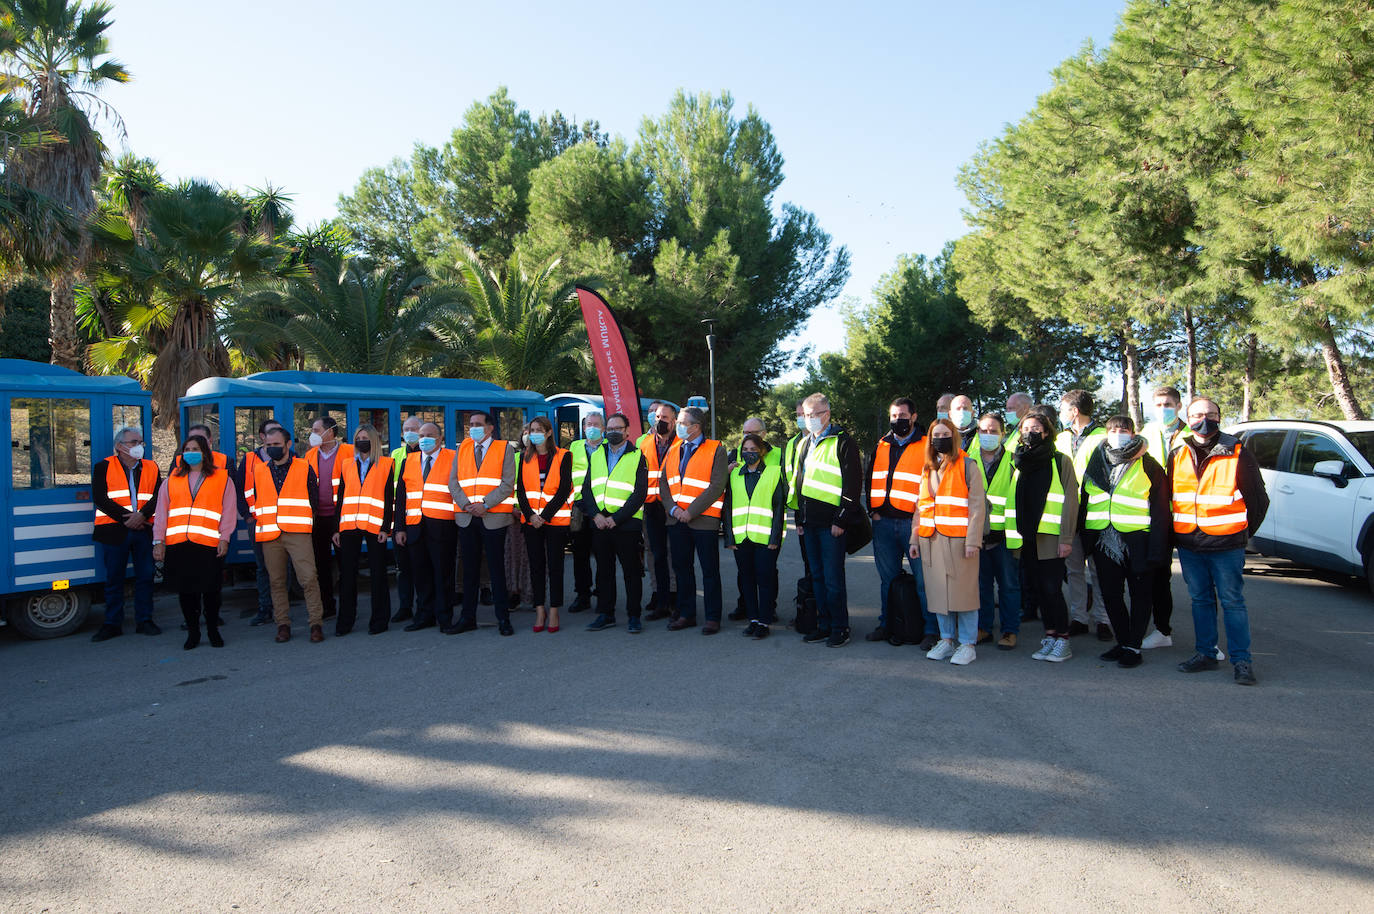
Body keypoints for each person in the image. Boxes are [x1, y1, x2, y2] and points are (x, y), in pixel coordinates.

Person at [1170, 397, 1269, 685]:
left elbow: (1259, 501)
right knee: (1200, 601)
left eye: (1211, 414)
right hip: (1190, 544)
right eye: (1198, 414)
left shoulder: (1238, 451)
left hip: (1227, 545)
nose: (1204, 419)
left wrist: (1242, 535)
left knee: (1232, 603)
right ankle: (1206, 654)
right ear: (1188, 418)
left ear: (1219, 417)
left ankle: (1242, 661)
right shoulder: (1178, 452)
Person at [1079, 415, 1171, 667]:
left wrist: (1159, 547)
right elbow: (1085, 501)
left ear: (1133, 433)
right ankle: (1122, 641)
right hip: (1103, 539)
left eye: (1123, 429)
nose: (1117, 433)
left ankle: (1133, 646)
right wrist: (1084, 538)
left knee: (1141, 594)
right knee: (1110, 593)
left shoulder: (1149, 465)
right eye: (1112, 429)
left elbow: (1161, 510)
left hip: (1138, 539)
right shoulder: (1096, 462)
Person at [910, 419, 985, 665]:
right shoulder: (927, 468)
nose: (939, 438)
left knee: (964, 595)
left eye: (944, 434)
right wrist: (915, 539)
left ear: (954, 437)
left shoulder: (968, 465)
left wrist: (973, 541)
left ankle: (967, 644)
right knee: (939, 594)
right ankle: (946, 639)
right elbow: (921, 507)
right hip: (931, 539)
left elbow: (977, 506)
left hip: (960, 541)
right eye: (935, 434)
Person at [1007, 411, 1079, 662]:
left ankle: (1063, 640)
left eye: (1036, 428)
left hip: (1051, 537)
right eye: (1025, 428)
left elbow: (1071, 500)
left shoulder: (1060, 461)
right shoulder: (1018, 461)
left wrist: (1066, 538)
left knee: (1052, 589)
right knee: (1037, 589)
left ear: (1046, 432)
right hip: (1026, 538)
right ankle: (1049, 634)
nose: (1030, 432)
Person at [153, 434, 236, 649]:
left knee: (211, 591)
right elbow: (161, 513)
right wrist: (158, 541)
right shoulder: (172, 480)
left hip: (209, 544)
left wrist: (225, 538)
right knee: (186, 592)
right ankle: (193, 632)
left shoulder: (222, 479)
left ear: (205, 452)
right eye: (187, 449)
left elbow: (228, 512)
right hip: (178, 544)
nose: (190, 452)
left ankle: (212, 630)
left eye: (195, 448)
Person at [793, 393, 863, 647]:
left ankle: (839, 627)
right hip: (809, 523)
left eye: (815, 415)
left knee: (833, 579)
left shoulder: (843, 442)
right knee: (818, 577)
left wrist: (841, 520)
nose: (810, 420)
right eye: (806, 415)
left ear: (828, 415)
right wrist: (798, 518)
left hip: (832, 524)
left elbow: (853, 485)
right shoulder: (804, 444)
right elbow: (799, 483)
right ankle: (823, 624)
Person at [865, 397, 935, 648]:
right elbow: (870, 475)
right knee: (888, 579)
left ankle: (930, 629)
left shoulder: (928, 445)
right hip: (883, 522)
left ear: (914, 417)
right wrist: (872, 511)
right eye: (893, 416)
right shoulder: (882, 444)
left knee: (923, 580)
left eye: (902, 415)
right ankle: (888, 624)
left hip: (913, 524)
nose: (898, 420)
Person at [251, 427, 325, 643]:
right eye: (268, 446)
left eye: (276, 445)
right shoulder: (259, 470)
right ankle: (282, 624)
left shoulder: (304, 467)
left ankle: (316, 624)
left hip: (298, 533)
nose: (272, 449)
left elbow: (314, 500)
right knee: (276, 582)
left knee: (309, 578)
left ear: (288, 445)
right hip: (270, 534)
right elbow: (258, 499)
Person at [449, 410, 518, 636]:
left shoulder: (505, 449)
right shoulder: (462, 449)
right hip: (467, 516)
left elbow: (508, 484)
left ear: (490, 428)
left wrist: (485, 504)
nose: (473, 428)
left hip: (493, 518)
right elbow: (454, 482)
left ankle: (503, 619)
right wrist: (466, 504)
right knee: (469, 571)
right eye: (470, 424)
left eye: (478, 424)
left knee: (497, 571)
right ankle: (467, 617)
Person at [90, 425, 161, 641]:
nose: (139, 446)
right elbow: (101, 499)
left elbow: (159, 496)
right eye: (134, 442)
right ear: (119, 446)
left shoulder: (151, 467)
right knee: (114, 579)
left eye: (141, 442)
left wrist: (141, 516)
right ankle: (112, 623)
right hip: (113, 531)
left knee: (146, 577)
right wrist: (129, 518)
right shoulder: (103, 466)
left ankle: (144, 620)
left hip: (143, 530)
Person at [662, 406, 728, 633]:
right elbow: (664, 483)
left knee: (709, 570)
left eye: (682, 422)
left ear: (696, 426)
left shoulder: (716, 449)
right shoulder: (674, 448)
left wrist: (691, 511)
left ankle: (712, 617)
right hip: (676, 520)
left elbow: (717, 485)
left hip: (703, 521)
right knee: (682, 569)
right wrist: (673, 510)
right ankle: (686, 613)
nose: (678, 426)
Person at [582, 413, 649, 633]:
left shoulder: (638, 456)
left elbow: (639, 494)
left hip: (626, 525)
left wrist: (615, 518)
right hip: (600, 524)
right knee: (604, 572)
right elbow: (587, 489)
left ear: (627, 431)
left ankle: (633, 615)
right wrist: (596, 515)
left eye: (618, 428)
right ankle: (606, 613)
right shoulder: (597, 454)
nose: (613, 431)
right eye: (609, 428)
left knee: (631, 572)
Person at [1056, 389, 1110, 640]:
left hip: (1096, 512)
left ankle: (1103, 618)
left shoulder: (1104, 436)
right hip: (1069, 512)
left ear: (1074, 411)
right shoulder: (1061, 438)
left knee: (1099, 570)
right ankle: (1079, 616)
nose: (1061, 414)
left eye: (1063, 409)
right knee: (1074, 569)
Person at [392, 423, 457, 633]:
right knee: (420, 575)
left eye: (429, 435)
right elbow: (401, 497)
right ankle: (424, 615)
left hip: (443, 525)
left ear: (440, 438)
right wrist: (399, 528)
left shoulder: (452, 458)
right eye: (421, 435)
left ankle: (444, 616)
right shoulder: (408, 461)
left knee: (443, 574)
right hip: (414, 527)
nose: (424, 439)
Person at [725, 434, 788, 639]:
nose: (749, 453)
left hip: (765, 539)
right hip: (741, 538)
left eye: (753, 449)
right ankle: (752, 619)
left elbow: (779, 509)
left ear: (761, 451)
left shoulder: (773, 472)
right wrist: (729, 538)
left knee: (765, 579)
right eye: (745, 450)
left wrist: (775, 538)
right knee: (747, 580)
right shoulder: (734, 474)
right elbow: (727, 508)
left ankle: (764, 621)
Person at [333, 423, 394, 636]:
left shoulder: (387, 464)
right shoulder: (346, 464)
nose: (361, 441)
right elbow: (340, 498)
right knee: (347, 576)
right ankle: (345, 622)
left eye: (365, 437)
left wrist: (387, 528)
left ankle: (379, 621)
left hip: (375, 526)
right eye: (358, 437)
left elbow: (389, 499)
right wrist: (336, 529)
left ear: (374, 441)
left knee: (378, 575)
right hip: (349, 526)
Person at [1139, 385, 1188, 649]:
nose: (1163, 410)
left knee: (1202, 581)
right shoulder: (1146, 433)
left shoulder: (1192, 435)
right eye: (1158, 405)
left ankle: (1209, 641)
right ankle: (1162, 630)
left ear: (1179, 406)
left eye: (1168, 404)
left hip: (1188, 515)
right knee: (1158, 574)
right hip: (1157, 516)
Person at [517, 416, 572, 633]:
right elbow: (520, 490)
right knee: (536, 566)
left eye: (539, 429)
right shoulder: (524, 457)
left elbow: (564, 489)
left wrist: (544, 516)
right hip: (531, 522)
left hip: (555, 520)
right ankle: (540, 608)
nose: (534, 433)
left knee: (555, 567)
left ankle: (555, 609)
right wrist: (531, 516)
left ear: (549, 433)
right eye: (532, 430)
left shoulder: (563, 456)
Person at [973, 412, 1021, 650]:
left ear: (1003, 434)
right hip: (977, 536)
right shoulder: (967, 459)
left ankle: (1010, 630)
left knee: (1009, 585)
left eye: (993, 431)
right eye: (984, 430)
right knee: (980, 585)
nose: (988, 435)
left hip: (1005, 535)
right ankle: (983, 628)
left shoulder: (1014, 460)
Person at [727, 415, 777, 622]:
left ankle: (767, 613)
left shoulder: (776, 459)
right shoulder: (734, 459)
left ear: (763, 435)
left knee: (766, 574)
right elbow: (727, 501)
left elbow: (779, 504)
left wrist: (775, 537)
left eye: (753, 434)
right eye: (745, 433)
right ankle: (749, 612)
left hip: (766, 532)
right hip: (742, 533)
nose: (748, 439)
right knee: (745, 576)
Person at [239, 418, 286, 627]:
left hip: (285, 522)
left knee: (285, 567)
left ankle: (283, 610)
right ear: (262, 437)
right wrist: (248, 516)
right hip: (258, 523)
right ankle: (264, 608)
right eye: (270, 434)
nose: (274, 441)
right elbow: (240, 488)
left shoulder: (290, 458)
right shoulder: (249, 459)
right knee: (262, 568)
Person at [306, 415, 353, 621]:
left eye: (317, 430)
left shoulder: (349, 452)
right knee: (321, 565)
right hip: (317, 519)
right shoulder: (308, 456)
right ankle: (327, 606)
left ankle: (347, 608)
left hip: (341, 516)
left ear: (330, 431)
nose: (313, 434)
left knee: (346, 564)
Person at [639, 401, 678, 621]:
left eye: (664, 418)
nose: (659, 421)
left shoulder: (682, 443)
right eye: (657, 417)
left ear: (674, 421)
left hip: (676, 506)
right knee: (658, 555)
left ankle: (677, 600)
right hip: (652, 506)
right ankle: (662, 602)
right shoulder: (644, 443)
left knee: (678, 555)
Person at [567, 411, 605, 614]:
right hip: (579, 508)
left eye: (596, 424)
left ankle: (602, 594)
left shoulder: (609, 448)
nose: (592, 427)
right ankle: (582, 595)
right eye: (589, 424)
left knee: (602, 554)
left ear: (603, 428)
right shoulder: (574, 447)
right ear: (583, 428)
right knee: (580, 555)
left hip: (601, 508)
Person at [1003, 391, 1036, 623]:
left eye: (1011, 408)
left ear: (1025, 408)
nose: (1008, 412)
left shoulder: (1030, 433)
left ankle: (1030, 605)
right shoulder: (1015, 432)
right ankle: (1027, 601)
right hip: (1011, 504)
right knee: (1019, 562)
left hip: (1025, 504)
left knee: (1027, 563)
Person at [388, 416, 423, 623]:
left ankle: (422, 607)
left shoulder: (428, 453)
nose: (409, 433)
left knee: (420, 567)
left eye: (413, 429)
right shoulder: (397, 454)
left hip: (421, 519)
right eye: (406, 429)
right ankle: (404, 606)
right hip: (400, 518)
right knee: (402, 568)